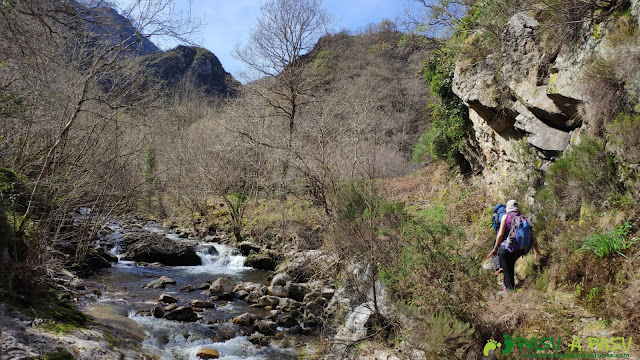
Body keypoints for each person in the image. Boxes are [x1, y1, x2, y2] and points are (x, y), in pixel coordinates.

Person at [487, 200, 541, 290]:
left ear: (507, 208)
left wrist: (495, 248)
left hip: (507, 249)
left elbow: (500, 235)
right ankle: (510, 284)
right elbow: (533, 238)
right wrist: (537, 251)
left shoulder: (505, 217)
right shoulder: (524, 218)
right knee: (509, 265)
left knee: (506, 264)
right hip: (521, 249)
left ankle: (509, 290)